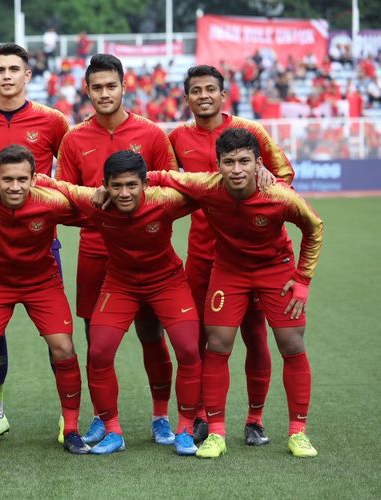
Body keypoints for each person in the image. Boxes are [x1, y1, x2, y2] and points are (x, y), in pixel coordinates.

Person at [147, 128, 323, 459]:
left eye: (245, 161)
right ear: (218, 165)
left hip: (276, 269)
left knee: (291, 343)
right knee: (218, 344)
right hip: (229, 270)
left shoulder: (280, 194)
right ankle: (216, 432)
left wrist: (303, 279)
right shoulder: (207, 186)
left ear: (259, 163)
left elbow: (314, 227)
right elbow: (163, 176)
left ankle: (298, 431)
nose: (237, 169)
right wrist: (126, 178)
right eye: (229, 162)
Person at [55, 54, 179, 447]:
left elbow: (171, 190)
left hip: (148, 255)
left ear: (124, 87)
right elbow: (65, 200)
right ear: (87, 90)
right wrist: (97, 213)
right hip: (96, 252)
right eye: (97, 87)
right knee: (97, 341)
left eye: (112, 86)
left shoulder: (153, 134)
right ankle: (103, 418)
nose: (105, 93)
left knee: (151, 334)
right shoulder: (74, 138)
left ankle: (161, 416)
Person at [168, 65, 295, 445]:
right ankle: (204, 416)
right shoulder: (176, 137)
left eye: (211, 89)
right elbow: (169, 182)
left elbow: (285, 174)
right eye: (196, 90)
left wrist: (270, 180)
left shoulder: (250, 133)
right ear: (187, 97)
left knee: (255, 336)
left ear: (224, 95)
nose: (204, 96)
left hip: (249, 254)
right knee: (203, 339)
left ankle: (255, 419)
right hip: (203, 254)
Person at [49, 150, 204, 456]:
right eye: (116, 186)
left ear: (144, 183)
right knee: (99, 351)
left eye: (132, 185)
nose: (124, 193)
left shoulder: (165, 200)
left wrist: (264, 173)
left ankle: (182, 427)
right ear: (104, 185)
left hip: (167, 281)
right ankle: (113, 430)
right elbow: (54, 185)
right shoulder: (94, 202)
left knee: (188, 348)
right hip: (120, 284)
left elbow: (208, 184)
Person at [0, 145, 90, 457]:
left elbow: (91, 205)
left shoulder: (50, 202)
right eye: (7, 179)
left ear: (34, 179)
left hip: (41, 282)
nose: (15, 186)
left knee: (64, 348)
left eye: (22, 179)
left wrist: (52, 185)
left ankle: (71, 429)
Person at [0, 43, 70, 440]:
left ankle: (66, 417)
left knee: (58, 339)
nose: (7, 76)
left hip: (43, 246)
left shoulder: (54, 121)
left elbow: (69, 176)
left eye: (14, 69)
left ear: (28, 75)